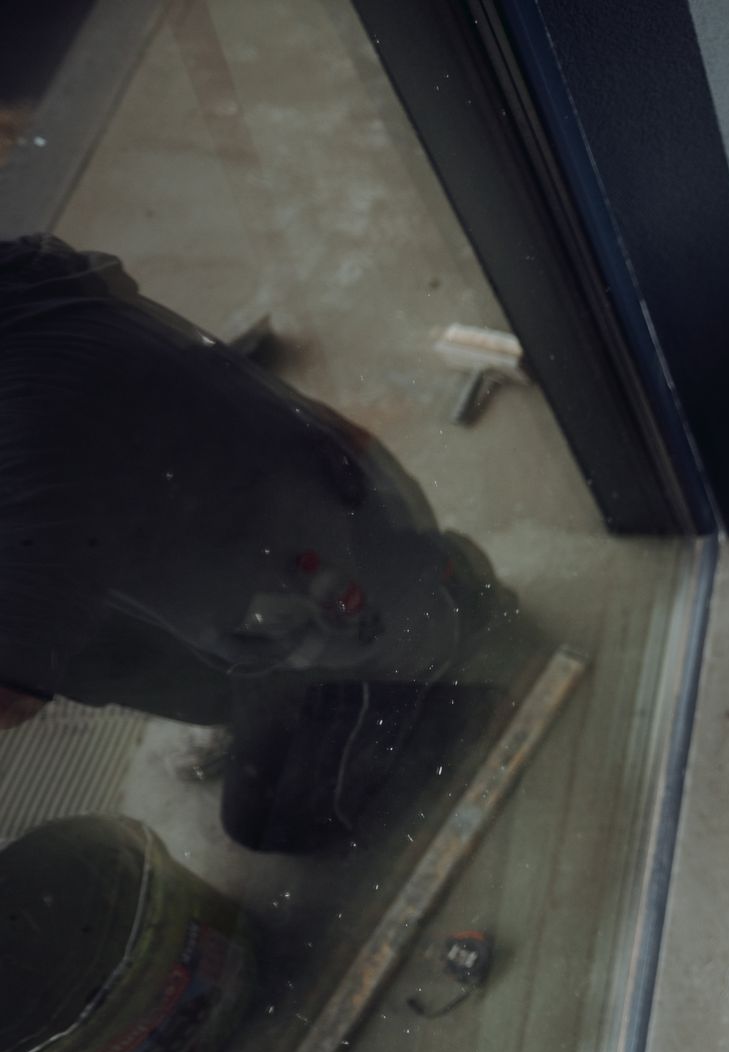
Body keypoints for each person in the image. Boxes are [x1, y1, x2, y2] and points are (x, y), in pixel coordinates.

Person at [0, 235, 511, 852]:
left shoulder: (29, 417)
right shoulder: (22, 292)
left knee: (270, 817)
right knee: (97, 635)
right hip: (299, 531)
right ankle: (354, 645)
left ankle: (448, 619)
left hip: (336, 582)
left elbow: (13, 685)